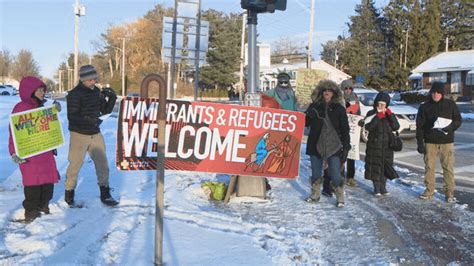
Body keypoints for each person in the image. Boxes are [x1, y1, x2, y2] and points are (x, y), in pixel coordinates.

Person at [8, 76, 60, 222]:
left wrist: (54, 112)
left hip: (45, 153)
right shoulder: (20, 108)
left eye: (43, 90)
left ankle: (44, 206)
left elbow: (49, 128)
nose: (43, 93)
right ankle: (31, 212)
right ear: (30, 91)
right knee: (33, 186)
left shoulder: (41, 107)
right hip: (29, 156)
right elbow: (14, 133)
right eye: (39, 90)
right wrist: (13, 152)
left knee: (47, 184)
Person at [65, 64, 118, 206]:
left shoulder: (96, 92)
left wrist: (112, 98)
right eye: (90, 80)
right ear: (83, 79)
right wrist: (89, 120)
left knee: (102, 164)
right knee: (75, 164)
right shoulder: (74, 94)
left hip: (95, 133)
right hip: (78, 134)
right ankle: (69, 192)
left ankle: (105, 193)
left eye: (95, 79)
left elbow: (105, 111)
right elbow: (72, 117)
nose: (93, 82)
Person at [305, 80, 350, 207]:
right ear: (321, 92)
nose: (327, 93)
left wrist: (346, 146)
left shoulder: (339, 109)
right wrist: (308, 115)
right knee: (315, 173)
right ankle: (315, 195)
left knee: (335, 173)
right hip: (315, 144)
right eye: (324, 90)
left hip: (334, 145)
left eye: (329, 91)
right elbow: (304, 123)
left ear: (334, 93)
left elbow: (345, 129)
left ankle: (340, 196)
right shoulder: (313, 106)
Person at [416, 82, 462, 202]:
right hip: (430, 142)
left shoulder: (450, 104)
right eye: (434, 92)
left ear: (442, 93)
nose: (436, 94)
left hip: (447, 142)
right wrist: (420, 143)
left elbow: (458, 120)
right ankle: (429, 190)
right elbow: (419, 126)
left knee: (448, 167)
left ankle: (449, 192)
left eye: (438, 92)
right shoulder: (424, 106)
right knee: (429, 167)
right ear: (431, 93)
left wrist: (450, 127)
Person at [363, 92, 400, 196]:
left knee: (385, 167)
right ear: (376, 103)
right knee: (375, 167)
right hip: (374, 146)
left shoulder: (389, 114)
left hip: (387, 146)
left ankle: (383, 187)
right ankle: (376, 188)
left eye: (383, 104)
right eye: (379, 103)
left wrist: (390, 114)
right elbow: (368, 127)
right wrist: (378, 116)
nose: (381, 106)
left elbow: (396, 126)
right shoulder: (371, 113)